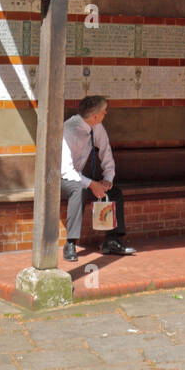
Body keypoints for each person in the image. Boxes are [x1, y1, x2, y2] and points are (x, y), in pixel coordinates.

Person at [61, 95, 134, 261]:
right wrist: (91, 184)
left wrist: (107, 178)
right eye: (104, 111)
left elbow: (106, 152)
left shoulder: (97, 127)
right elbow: (66, 170)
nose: (106, 113)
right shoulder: (68, 131)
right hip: (59, 179)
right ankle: (70, 243)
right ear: (95, 116)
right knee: (78, 190)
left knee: (115, 193)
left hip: (80, 176)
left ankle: (112, 240)